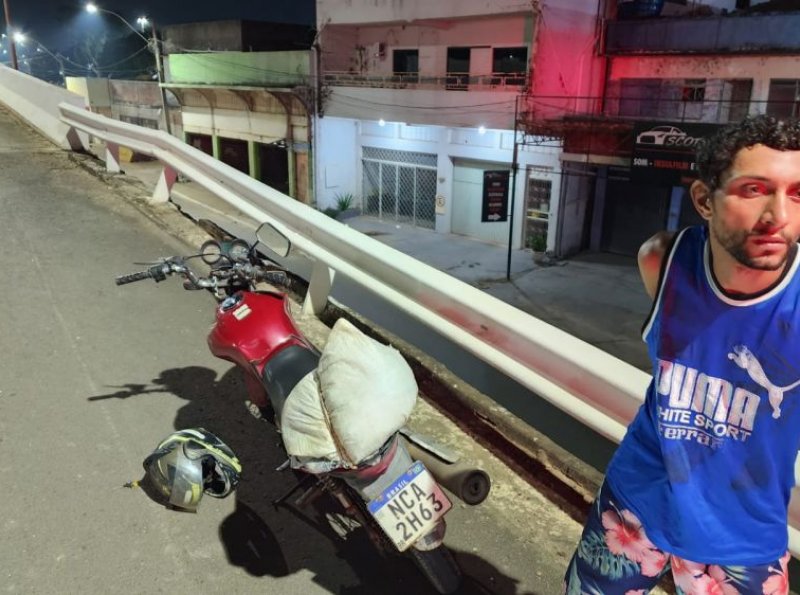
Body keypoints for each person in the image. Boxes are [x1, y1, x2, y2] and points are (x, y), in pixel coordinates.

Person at [564, 114, 800, 595]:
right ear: (702, 201)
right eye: (754, 190)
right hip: (636, 500)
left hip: (742, 534)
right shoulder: (663, 260)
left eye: (797, 193)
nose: (779, 215)